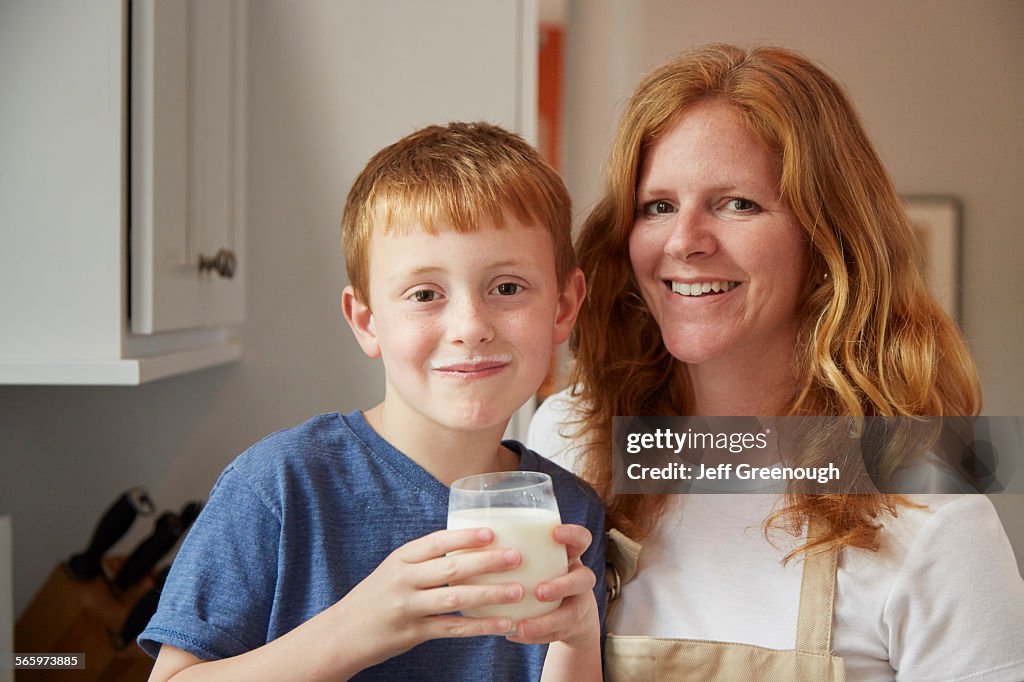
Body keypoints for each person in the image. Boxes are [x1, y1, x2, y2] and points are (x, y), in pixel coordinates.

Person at [529, 43, 1024, 680]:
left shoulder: (932, 506)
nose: (684, 242)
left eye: (738, 203)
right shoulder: (572, 436)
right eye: (658, 206)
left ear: (828, 240)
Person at [140, 121, 605, 681]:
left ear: (563, 306)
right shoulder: (280, 485)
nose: (470, 326)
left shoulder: (571, 511)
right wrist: (354, 629)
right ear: (367, 321)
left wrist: (579, 640)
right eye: (425, 294)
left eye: (507, 287)